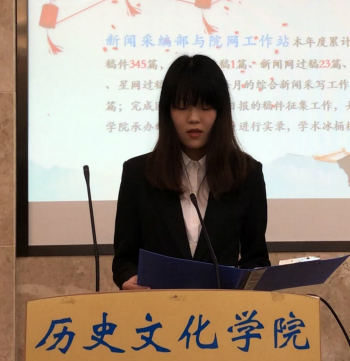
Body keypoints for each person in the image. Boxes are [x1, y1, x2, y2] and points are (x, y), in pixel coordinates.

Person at [112, 54, 270, 290]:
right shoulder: (138, 174)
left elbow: (255, 258)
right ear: (167, 112)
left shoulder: (247, 174)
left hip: (222, 308)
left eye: (205, 107)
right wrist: (128, 279)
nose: (194, 118)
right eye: (182, 106)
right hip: (156, 307)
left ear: (221, 111)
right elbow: (124, 260)